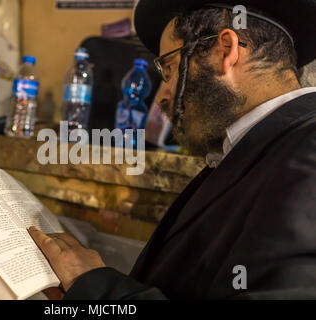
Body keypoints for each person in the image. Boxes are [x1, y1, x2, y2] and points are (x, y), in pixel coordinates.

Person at [29, 0, 316, 299]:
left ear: (225, 51)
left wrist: (92, 285)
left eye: (168, 69)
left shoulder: (309, 152)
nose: (161, 97)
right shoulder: (252, 149)